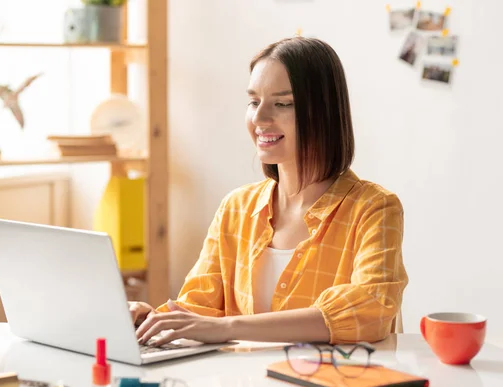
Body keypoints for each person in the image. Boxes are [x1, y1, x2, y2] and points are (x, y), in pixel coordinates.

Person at [131, 36, 409, 346]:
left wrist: (229, 327)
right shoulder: (236, 207)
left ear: (324, 112)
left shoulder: (374, 208)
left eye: (282, 104)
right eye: (253, 101)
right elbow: (200, 310)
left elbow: (370, 310)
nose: (259, 119)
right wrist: (153, 319)